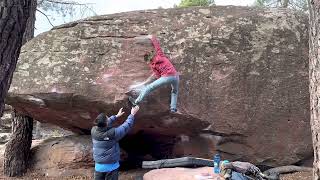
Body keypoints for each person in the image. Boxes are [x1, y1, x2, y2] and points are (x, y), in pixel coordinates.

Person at [128, 35, 180, 113]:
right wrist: (152, 37)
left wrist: (162, 80)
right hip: (175, 76)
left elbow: (158, 76)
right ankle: (173, 108)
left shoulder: (153, 65)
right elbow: (157, 46)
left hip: (166, 77)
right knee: (174, 91)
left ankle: (136, 102)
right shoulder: (160, 55)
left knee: (149, 88)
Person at [91, 106, 140, 180]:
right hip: (112, 167)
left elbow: (104, 124)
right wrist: (132, 114)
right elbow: (126, 126)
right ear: (106, 122)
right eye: (108, 118)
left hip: (99, 167)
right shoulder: (114, 133)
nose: (109, 118)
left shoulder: (93, 130)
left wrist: (116, 116)